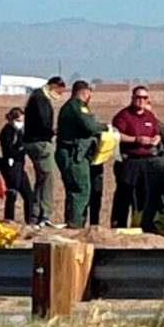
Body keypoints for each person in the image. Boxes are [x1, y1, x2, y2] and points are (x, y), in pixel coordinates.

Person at [55, 80, 108, 228]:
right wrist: (104, 127)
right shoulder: (76, 106)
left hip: (72, 153)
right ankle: (76, 225)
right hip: (73, 155)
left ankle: (73, 222)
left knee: (75, 190)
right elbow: (90, 126)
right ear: (85, 92)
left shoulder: (71, 106)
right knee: (81, 189)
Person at [110, 86, 163, 232]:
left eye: (144, 98)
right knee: (124, 194)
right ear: (132, 98)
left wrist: (156, 140)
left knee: (144, 194)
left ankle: (141, 224)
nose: (141, 101)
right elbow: (117, 135)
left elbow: (157, 133)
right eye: (138, 97)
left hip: (146, 160)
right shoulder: (123, 116)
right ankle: (118, 225)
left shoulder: (150, 116)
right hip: (129, 160)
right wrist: (136, 139)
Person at [23, 76, 66, 227]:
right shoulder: (40, 99)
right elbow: (42, 121)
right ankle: (43, 215)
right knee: (47, 179)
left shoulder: (35, 97)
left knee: (42, 178)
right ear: (54, 86)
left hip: (33, 141)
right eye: (60, 91)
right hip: (40, 142)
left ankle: (35, 214)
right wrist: (52, 131)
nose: (59, 95)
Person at [0, 107, 33, 224]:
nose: (21, 123)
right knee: (12, 194)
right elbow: (9, 150)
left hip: (20, 167)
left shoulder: (20, 132)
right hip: (12, 167)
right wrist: (22, 148)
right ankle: (9, 219)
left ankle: (30, 221)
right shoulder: (7, 131)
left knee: (28, 195)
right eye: (19, 120)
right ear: (12, 120)